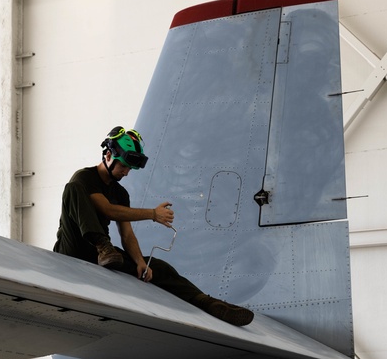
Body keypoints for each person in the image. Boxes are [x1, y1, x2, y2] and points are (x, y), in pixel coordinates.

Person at [54, 126, 254, 327]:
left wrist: (140, 261)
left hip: (103, 256)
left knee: (158, 267)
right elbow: (108, 210)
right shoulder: (84, 179)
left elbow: (127, 234)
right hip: (74, 247)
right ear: (108, 155)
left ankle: (206, 301)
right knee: (73, 189)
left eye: (129, 168)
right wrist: (152, 214)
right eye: (123, 166)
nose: (126, 172)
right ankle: (102, 245)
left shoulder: (121, 193)